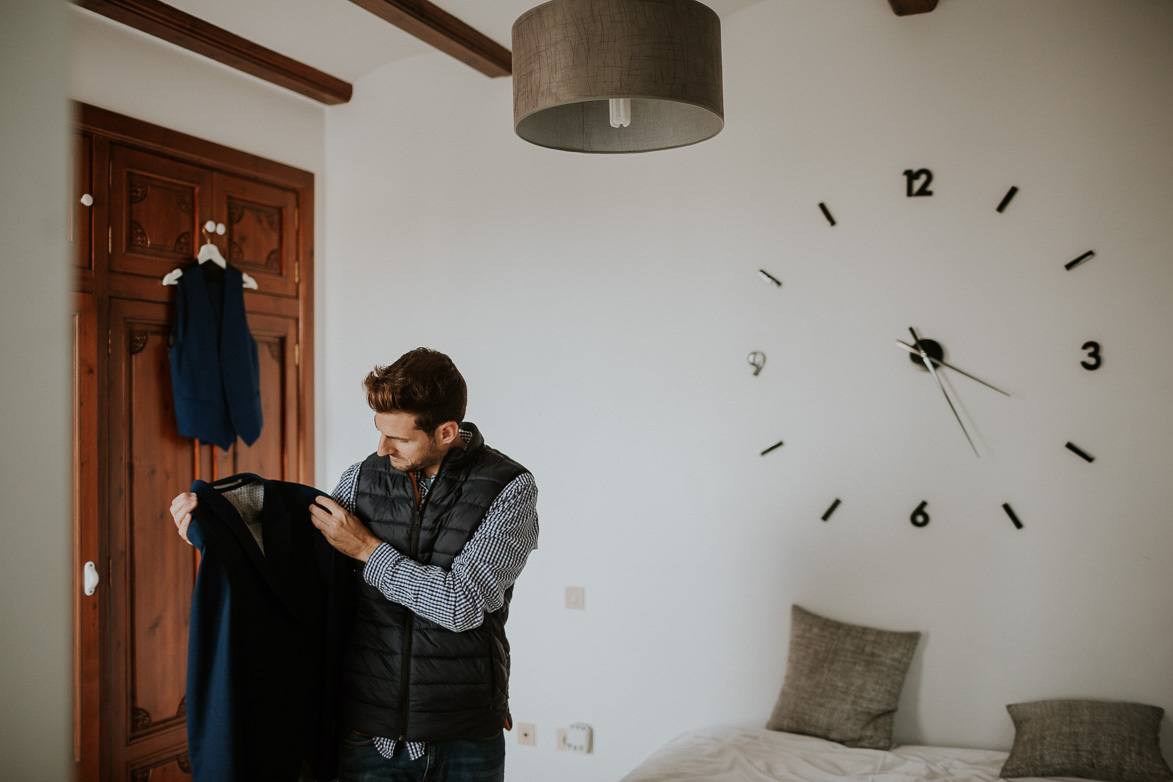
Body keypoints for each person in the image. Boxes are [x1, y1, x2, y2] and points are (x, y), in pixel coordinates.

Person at [171, 347, 539, 782]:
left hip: (464, 738)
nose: (381, 449)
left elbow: (462, 605)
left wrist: (367, 550)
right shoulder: (361, 478)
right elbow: (294, 551)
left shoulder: (509, 490)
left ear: (446, 432)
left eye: (398, 438)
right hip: (367, 735)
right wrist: (213, 526)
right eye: (380, 431)